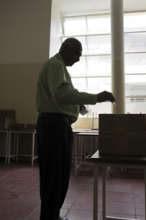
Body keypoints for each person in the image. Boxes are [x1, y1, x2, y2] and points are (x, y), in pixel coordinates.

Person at [36, 37, 116, 220]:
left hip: (57, 125)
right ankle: (49, 217)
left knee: (60, 176)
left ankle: (52, 215)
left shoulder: (61, 69)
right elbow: (60, 94)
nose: (78, 58)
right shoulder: (56, 65)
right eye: (76, 53)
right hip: (53, 126)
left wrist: (77, 105)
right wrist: (96, 97)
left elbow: (61, 94)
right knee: (54, 177)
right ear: (65, 48)